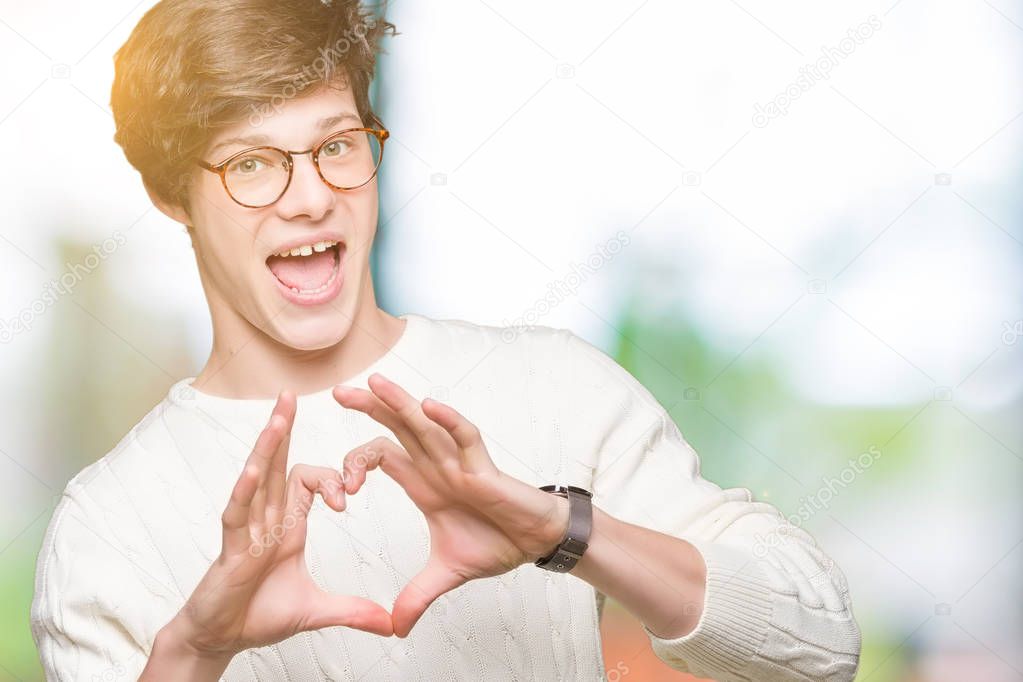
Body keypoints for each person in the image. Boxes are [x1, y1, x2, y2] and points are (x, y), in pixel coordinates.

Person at [30, 0, 863, 680]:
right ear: (171, 194)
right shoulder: (106, 526)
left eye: (336, 145)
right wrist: (198, 651)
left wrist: (562, 534)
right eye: (252, 164)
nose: (313, 197)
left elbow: (821, 645)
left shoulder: (552, 384)